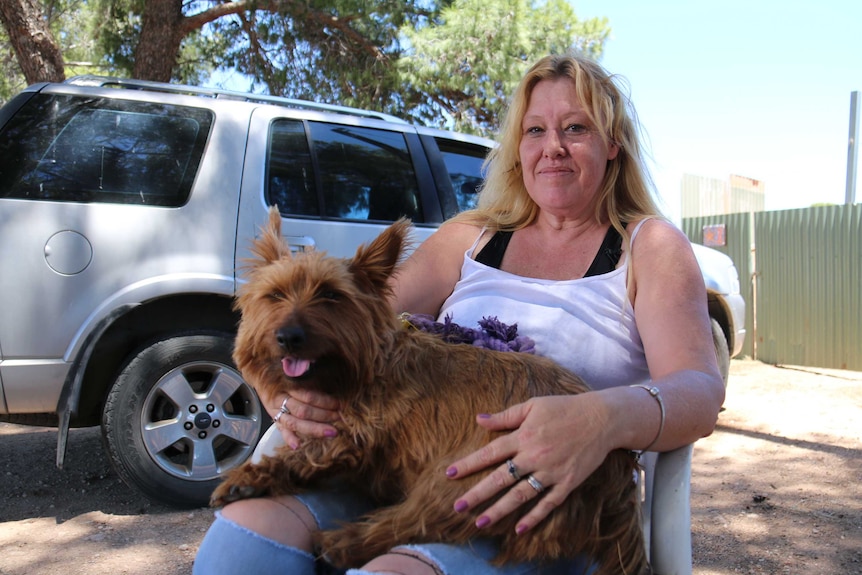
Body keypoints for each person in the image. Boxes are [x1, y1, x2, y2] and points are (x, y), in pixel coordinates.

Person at [193, 52, 725, 575]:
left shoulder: (649, 246)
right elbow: (346, 332)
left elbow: (699, 389)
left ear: (613, 145)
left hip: (547, 495)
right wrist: (281, 395)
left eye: (576, 128)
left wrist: (602, 419)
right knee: (239, 544)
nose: (553, 148)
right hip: (397, 470)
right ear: (518, 148)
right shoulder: (468, 239)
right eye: (535, 130)